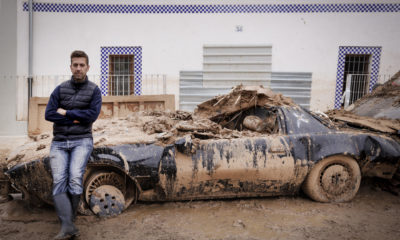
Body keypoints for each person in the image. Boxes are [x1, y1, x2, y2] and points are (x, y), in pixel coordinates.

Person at [45, 50, 102, 239]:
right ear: (71, 67)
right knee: (59, 180)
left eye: (82, 65)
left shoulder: (94, 90)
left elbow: (91, 116)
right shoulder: (60, 89)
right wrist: (77, 118)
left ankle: (70, 221)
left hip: (82, 141)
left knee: (75, 178)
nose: (78, 68)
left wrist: (66, 113)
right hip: (59, 142)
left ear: (87, 67)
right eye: (75, 65)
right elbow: (49, 114)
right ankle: (67, 226)